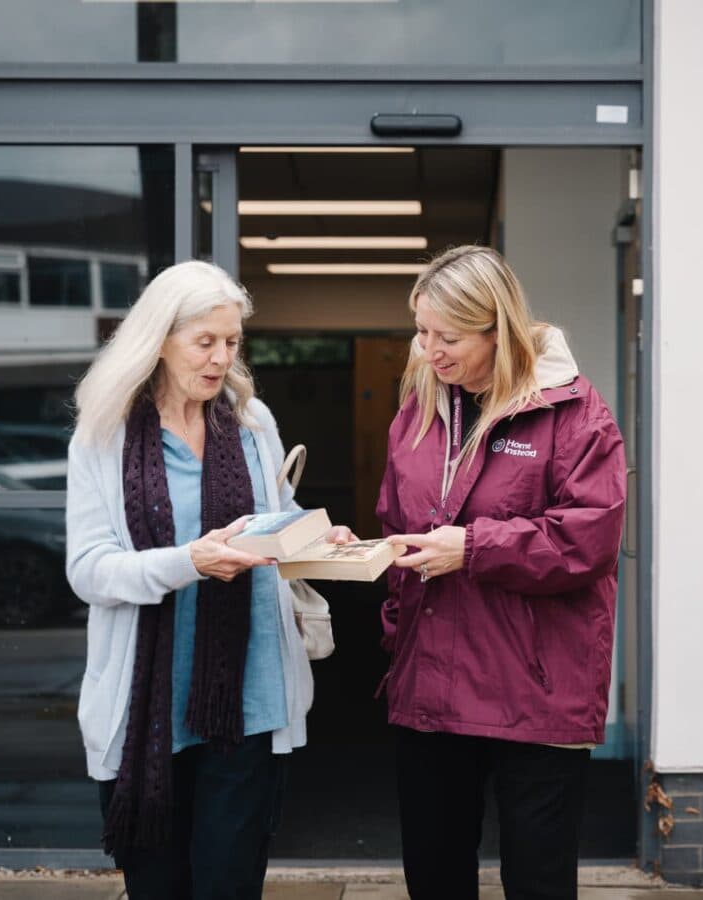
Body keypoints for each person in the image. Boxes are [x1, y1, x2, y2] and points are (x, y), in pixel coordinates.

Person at [66, 260, 351, 900]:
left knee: (230, 883)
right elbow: (89, 571)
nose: (222, 358)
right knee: (159, 885)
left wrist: (314, 533)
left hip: (249, 698)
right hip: (147, 710)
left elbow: (272, 519)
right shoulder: (103, 437)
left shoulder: (252, 423)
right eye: (205, 342)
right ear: (158, 342)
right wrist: (189, 562)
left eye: (231, 342)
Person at [376, 245, 627, 900]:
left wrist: (473, 547)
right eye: (422, 331)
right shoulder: (419, 408)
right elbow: (394, 516)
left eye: (449, 337)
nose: (430, 350)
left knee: (538, 880)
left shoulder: (574, 414)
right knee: (434, 875)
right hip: (431, 680)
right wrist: (384, 590)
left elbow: (588, 539)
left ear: (500, 329)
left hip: (536, 685)